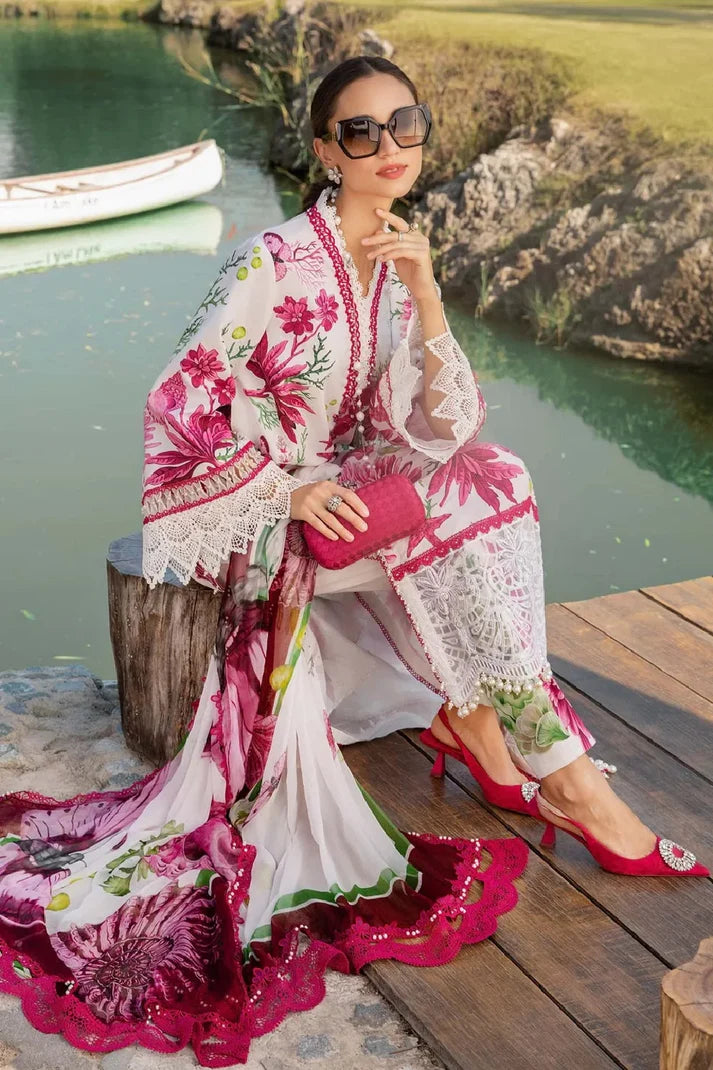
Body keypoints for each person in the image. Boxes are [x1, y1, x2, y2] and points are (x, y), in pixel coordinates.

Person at [0, 55, 707, 1070]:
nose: (387, 149)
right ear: (326, 151)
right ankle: (560, 773)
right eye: (359, 133)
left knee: (490, 474)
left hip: (355, 495)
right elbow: (175, 400)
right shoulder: (272, 262)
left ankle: (482, 718)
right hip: (258, 511)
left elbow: (442, 422)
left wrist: (424, 292)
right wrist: (282, 486)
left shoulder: (394, 257)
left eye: (402, 126)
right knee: (455, 506)